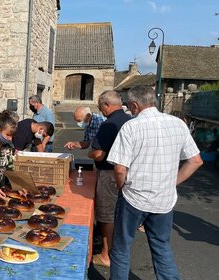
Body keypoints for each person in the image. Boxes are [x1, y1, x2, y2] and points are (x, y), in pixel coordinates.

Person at [107, 85, 203, 279]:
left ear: (134, 105)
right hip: (164, 199)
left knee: (121, 247)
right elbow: (196, 161)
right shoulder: (178, 123)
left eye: (130, 106)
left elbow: (119, 168)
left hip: (134, 196)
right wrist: (172, 182)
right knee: (161, 247)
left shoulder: (131, 126)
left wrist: (121, 187)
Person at [87, 90, 132, 268]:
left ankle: (106, 255)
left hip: (109, 173)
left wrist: (90, 153)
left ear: (106, 105)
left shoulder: (109, 124)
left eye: (100, 107)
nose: (101, 111)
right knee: (119, 213)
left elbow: (98, 154)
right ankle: (116, 250)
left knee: (106, 215)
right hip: (127, 171)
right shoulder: (130, 121)